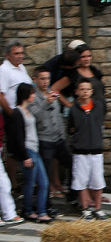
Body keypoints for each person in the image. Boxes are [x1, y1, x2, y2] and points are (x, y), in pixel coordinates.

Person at [7, 83, 53, 222]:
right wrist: (24, 156)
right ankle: (28, 210)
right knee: (30, 182)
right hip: (27, 151)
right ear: (26, 94)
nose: (34, 95)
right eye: (32, 93)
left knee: (44, 182)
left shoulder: (29, 111)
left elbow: (38, 115)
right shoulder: (17, 112)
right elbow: (18, 137)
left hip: (35, 149)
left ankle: (41, 211)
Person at [67, 79, 107, 220]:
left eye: (87, 89)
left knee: (97, 180)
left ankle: (98, 207)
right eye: (82, 89)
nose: (84, 92)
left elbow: (101, 122)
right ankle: (86, 208)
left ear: (91, 91)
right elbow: (71, 128)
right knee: (81, 180)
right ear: (77, 91)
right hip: (81, 151)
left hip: (96, 150)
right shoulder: (73, 109)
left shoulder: (98, 106)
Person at [29, 66, 72, 199]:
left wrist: (62, 135)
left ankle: (73, 195)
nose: (46, 81)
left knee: (72, 164)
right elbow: (34, 117)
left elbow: (58, 117)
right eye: (42, 79)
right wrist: (46, 103)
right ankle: (46, 202)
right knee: (45, 173)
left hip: (58, 139)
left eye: (47, 78)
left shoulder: (51, 93)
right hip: (44, 139)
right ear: (35, 80)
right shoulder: (33, 97)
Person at [0, 40, 33, 115]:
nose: (20, 56)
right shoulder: (4, 70)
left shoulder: (21, 67)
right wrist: (12, 115)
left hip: (24, 113)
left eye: (22, 53)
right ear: (7, 55)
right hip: (11, 114)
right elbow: (0, 96)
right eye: (16, 53)